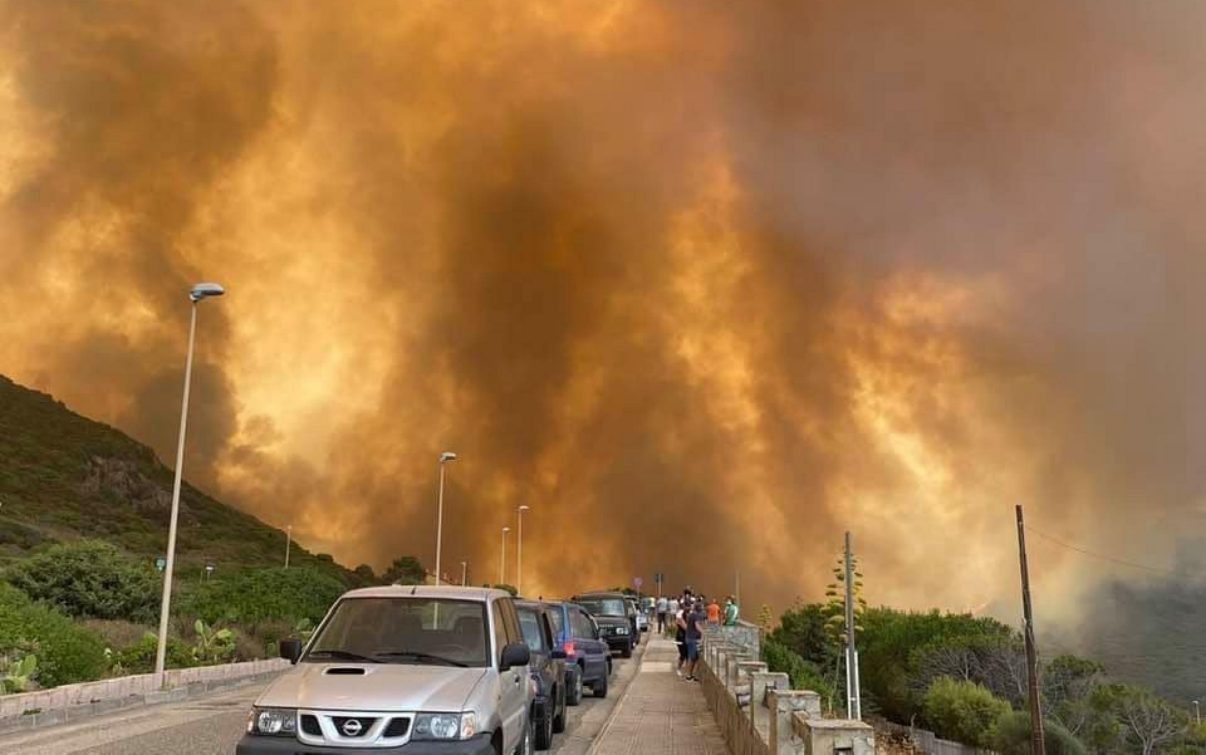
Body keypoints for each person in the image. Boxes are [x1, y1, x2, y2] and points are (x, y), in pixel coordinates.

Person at [683, 599, 705, 682]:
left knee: (695, 658)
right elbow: (697, 626)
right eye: (702, 607)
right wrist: (703, 632)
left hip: (691, 638)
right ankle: (688, 675)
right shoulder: (695, 615)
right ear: (698, 608)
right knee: (692, 658)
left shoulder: (693, 615)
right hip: (692, 639)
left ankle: (693, 675)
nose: (703, 609)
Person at [674, 600, 689, 675]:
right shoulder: (680, 616)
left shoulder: (685, 615)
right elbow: (685, 627)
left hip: (685, 637)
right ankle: (678, 669)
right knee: (683, 654)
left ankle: (687, 670)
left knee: (687, 654)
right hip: (680, 637)